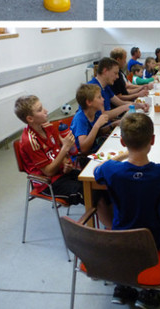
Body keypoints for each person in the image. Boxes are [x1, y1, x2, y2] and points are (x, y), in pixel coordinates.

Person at [94, 114, 160, 307]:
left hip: (120, 240)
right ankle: (149, 291)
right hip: (154, 242)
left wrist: (122, 156)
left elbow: (98, 169)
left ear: (122, 141)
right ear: (153, 140)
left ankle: (123, 285)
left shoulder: (112, 170)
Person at [14, 94, 112, 226]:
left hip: (62, 173)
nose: (46, 111)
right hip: (49, 183)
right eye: (40, 110)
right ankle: (111, 231)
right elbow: (48, 171)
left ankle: (115, 221)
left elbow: (61, 151)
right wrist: (65, 149)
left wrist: (67, 162)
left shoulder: (47, 126)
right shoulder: (30, 141)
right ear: (30, 118)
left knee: (99, 182)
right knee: (94, 193)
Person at [70, 84, 110, 157]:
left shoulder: (96, 112)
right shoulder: (80, 118)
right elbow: (84, 149)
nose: (103, 99)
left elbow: (95, 133)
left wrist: (113, 125)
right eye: (99, 97)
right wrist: (97, 125)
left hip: (95, 150)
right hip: (82, 158)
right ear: (89, 102)